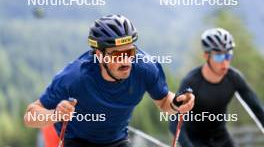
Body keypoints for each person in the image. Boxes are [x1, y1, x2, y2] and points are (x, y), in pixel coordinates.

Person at [24, 14, 195, 147]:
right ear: (100, 55)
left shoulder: (145, 68)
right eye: (118, 55)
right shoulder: (74, 77)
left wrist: (177, 104)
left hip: (117, 141)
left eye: (130, 52)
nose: (126, 61)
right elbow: (30, 116)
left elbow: (164, 101)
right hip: (78, 141)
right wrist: (55, 115)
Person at [169, 28, 264, 147]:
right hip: (195, 140)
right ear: (206, 56)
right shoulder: (192, 82)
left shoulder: (234, 78)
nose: (224, 63)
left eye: (228, 56)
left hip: (221, 138)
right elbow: (175, 122)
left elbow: (258, 110)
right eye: (219, 57)